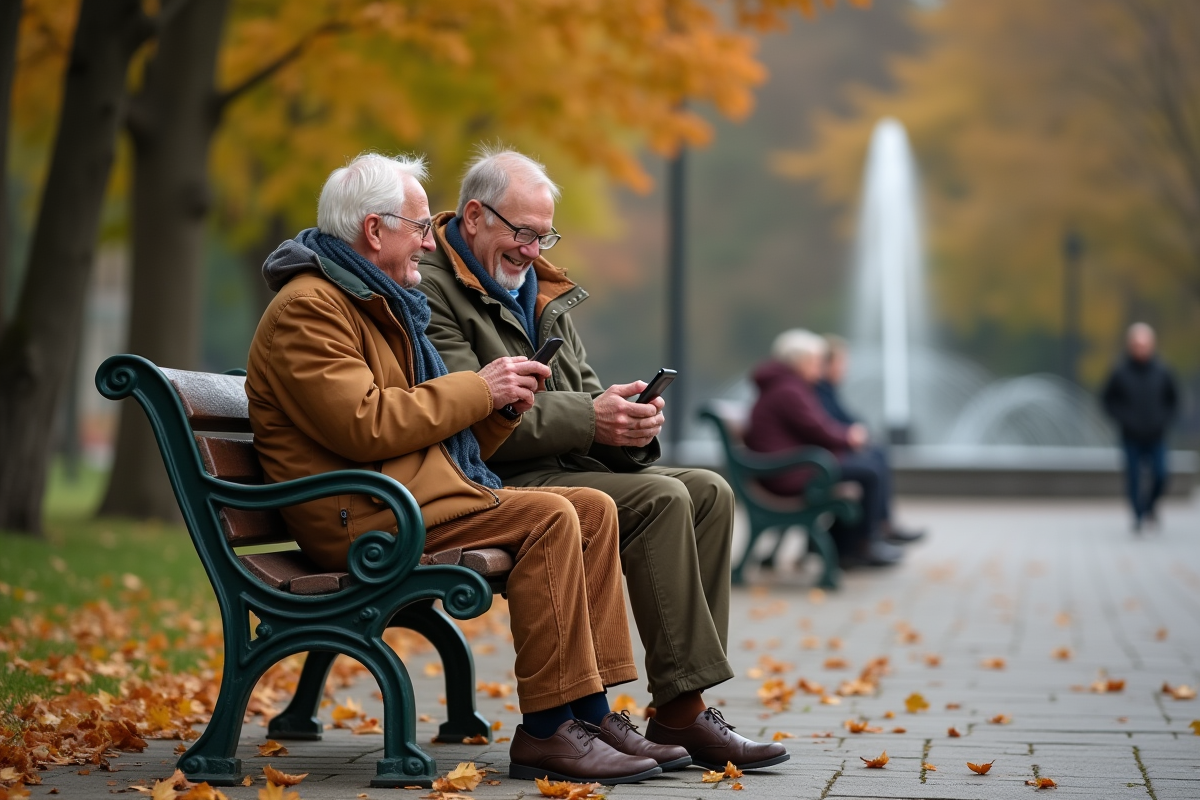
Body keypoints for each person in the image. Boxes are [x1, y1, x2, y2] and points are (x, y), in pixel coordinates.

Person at [245, 152, 667, 784]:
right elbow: (366, 425)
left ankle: (592, 711)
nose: (425, 240)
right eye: (418, 226)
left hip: (404, 494)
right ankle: (550, 730)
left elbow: (411, 419)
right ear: (373, 230)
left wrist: (501, 405)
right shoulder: (311, 309)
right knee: (551, 515)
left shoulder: (375, 300)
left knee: (591, 505)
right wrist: (481, 389)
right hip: (361, 516)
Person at [418, 148, 788, 771]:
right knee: (662, 498)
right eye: (522, 232)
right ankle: (672, 714)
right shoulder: (433, 289)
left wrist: (628, 424)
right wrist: (593, 418)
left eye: (543, 234)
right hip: (492, 474)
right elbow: (473, 411)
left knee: (708, 492)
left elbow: (583, 390)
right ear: (476, 216)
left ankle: (679, 707)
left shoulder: (539, 287)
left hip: (557, 464)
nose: (533, 249)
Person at [744, 329, 905, 567]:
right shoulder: (789, 389)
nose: (820, 368)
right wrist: (848, 438)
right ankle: (861, 545)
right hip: (787, 473)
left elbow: (814, 428)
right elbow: (817, 429)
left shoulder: (787, 385)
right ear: (799, 362)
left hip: (791, 467)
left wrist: (845, 438)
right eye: (815, 362)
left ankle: (852, 544)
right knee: (868, 472)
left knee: (867, 466)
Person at [814, 335, 922, 545]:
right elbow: (825, 426)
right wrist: (851, 435)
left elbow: (845, 418)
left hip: (820, 459)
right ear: (826, 364)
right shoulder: (817, 391)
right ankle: (868, 538)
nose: (845, 368)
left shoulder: (825, 390)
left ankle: (880, 527)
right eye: (841, 363)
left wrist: (858, 431)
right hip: (814, 464)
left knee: (877, 453)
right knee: (871, 466)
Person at [1101, 322, 1179, 531]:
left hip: (1156, 434)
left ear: (1152, 345)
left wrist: (1163, 419)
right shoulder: (1120, 372)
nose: (1141, 348)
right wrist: (1124, 419)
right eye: (1137, 344)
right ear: (1130, 345)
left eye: (1145, 344)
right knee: (1134, 477)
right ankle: (1138, 516)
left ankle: (1150, 507)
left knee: (1161, 474)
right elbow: (1107, 401)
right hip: (1131, 435)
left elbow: (1173, 400)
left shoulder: (1163, 371)